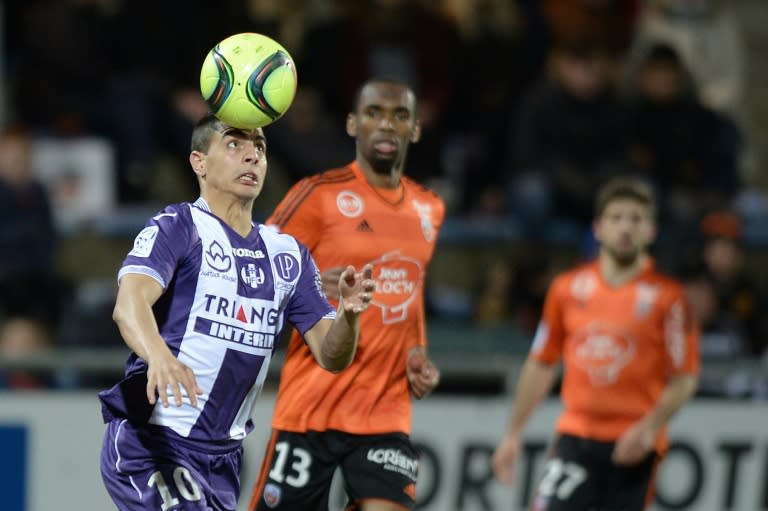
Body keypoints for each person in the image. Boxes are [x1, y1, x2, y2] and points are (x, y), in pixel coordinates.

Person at [97, 113, 376, 511]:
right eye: (235, 145)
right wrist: (158, 356)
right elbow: (129, 305)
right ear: (199, 162)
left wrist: (348, 313)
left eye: (259, 147)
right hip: (154, 440)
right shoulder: (179, 226)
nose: (252, 157)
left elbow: (333, 356)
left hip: (223, 458)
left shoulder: (289, 255)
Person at [248, 78, 445, 511]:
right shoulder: (318, 195)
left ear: (415, 129)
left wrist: (417, 353)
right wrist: (311, 284)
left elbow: (408, 292)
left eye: (400, 116)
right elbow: (253, 269)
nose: (386, 125)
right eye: (374, 113)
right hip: (312, 404)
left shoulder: (429, 208)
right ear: (353, 124)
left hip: (384, 410)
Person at [492, 177, 700, 511]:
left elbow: (685, 378)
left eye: (636, 219)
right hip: (577, 437)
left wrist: (649, 428)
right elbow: (542, 362)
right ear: (598, 228)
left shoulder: (669, 298)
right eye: (616, 218)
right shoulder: (567, 288)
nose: (626, 228)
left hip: (633, 443)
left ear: (652, 231)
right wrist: (513, 434)